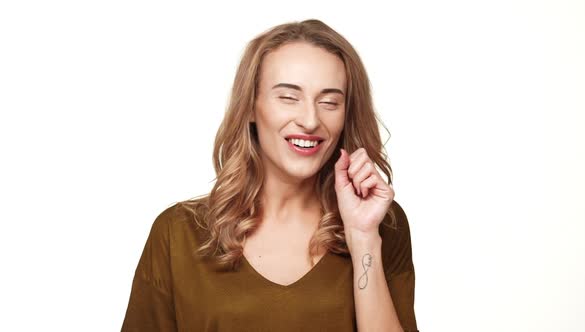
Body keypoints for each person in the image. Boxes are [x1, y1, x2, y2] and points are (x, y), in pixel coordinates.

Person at [121, 18, 418, 332]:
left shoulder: (380, 224)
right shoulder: (178, 233)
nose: (310, 119)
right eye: (288, 98)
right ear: (251, 107)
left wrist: (363, 239)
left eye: (329, 102)